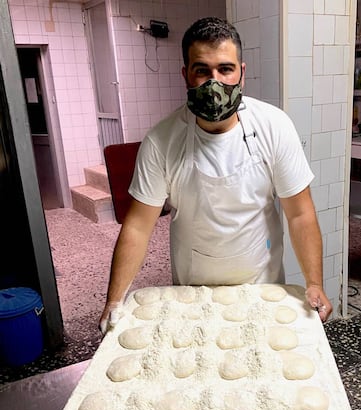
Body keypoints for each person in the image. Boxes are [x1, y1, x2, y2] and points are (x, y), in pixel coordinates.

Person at [99, 16, 332, 333]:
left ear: (242, 73)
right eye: (202, 71)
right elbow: (139, 226)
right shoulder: (161, 141)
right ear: (186, 75)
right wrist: (114, 301)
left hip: (261, 285)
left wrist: (314, 282)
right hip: (193, 291)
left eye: (225, 69)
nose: (214, 83)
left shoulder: (275, 127)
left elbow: (300, 214)